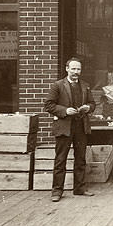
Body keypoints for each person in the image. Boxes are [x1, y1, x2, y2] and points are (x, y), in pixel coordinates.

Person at [44, 57, 96, 202]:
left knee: (80, 159)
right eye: (73, 69)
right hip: (64, 127)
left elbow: (92, 103)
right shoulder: (58, 85)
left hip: (81, 127)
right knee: (61, 159)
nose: (76, 72)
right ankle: (57, 191)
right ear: (67, 69)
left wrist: (88, 108)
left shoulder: (85, 86)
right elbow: (48, 105)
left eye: (78, 69)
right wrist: (65, 111)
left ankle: (79, 188)